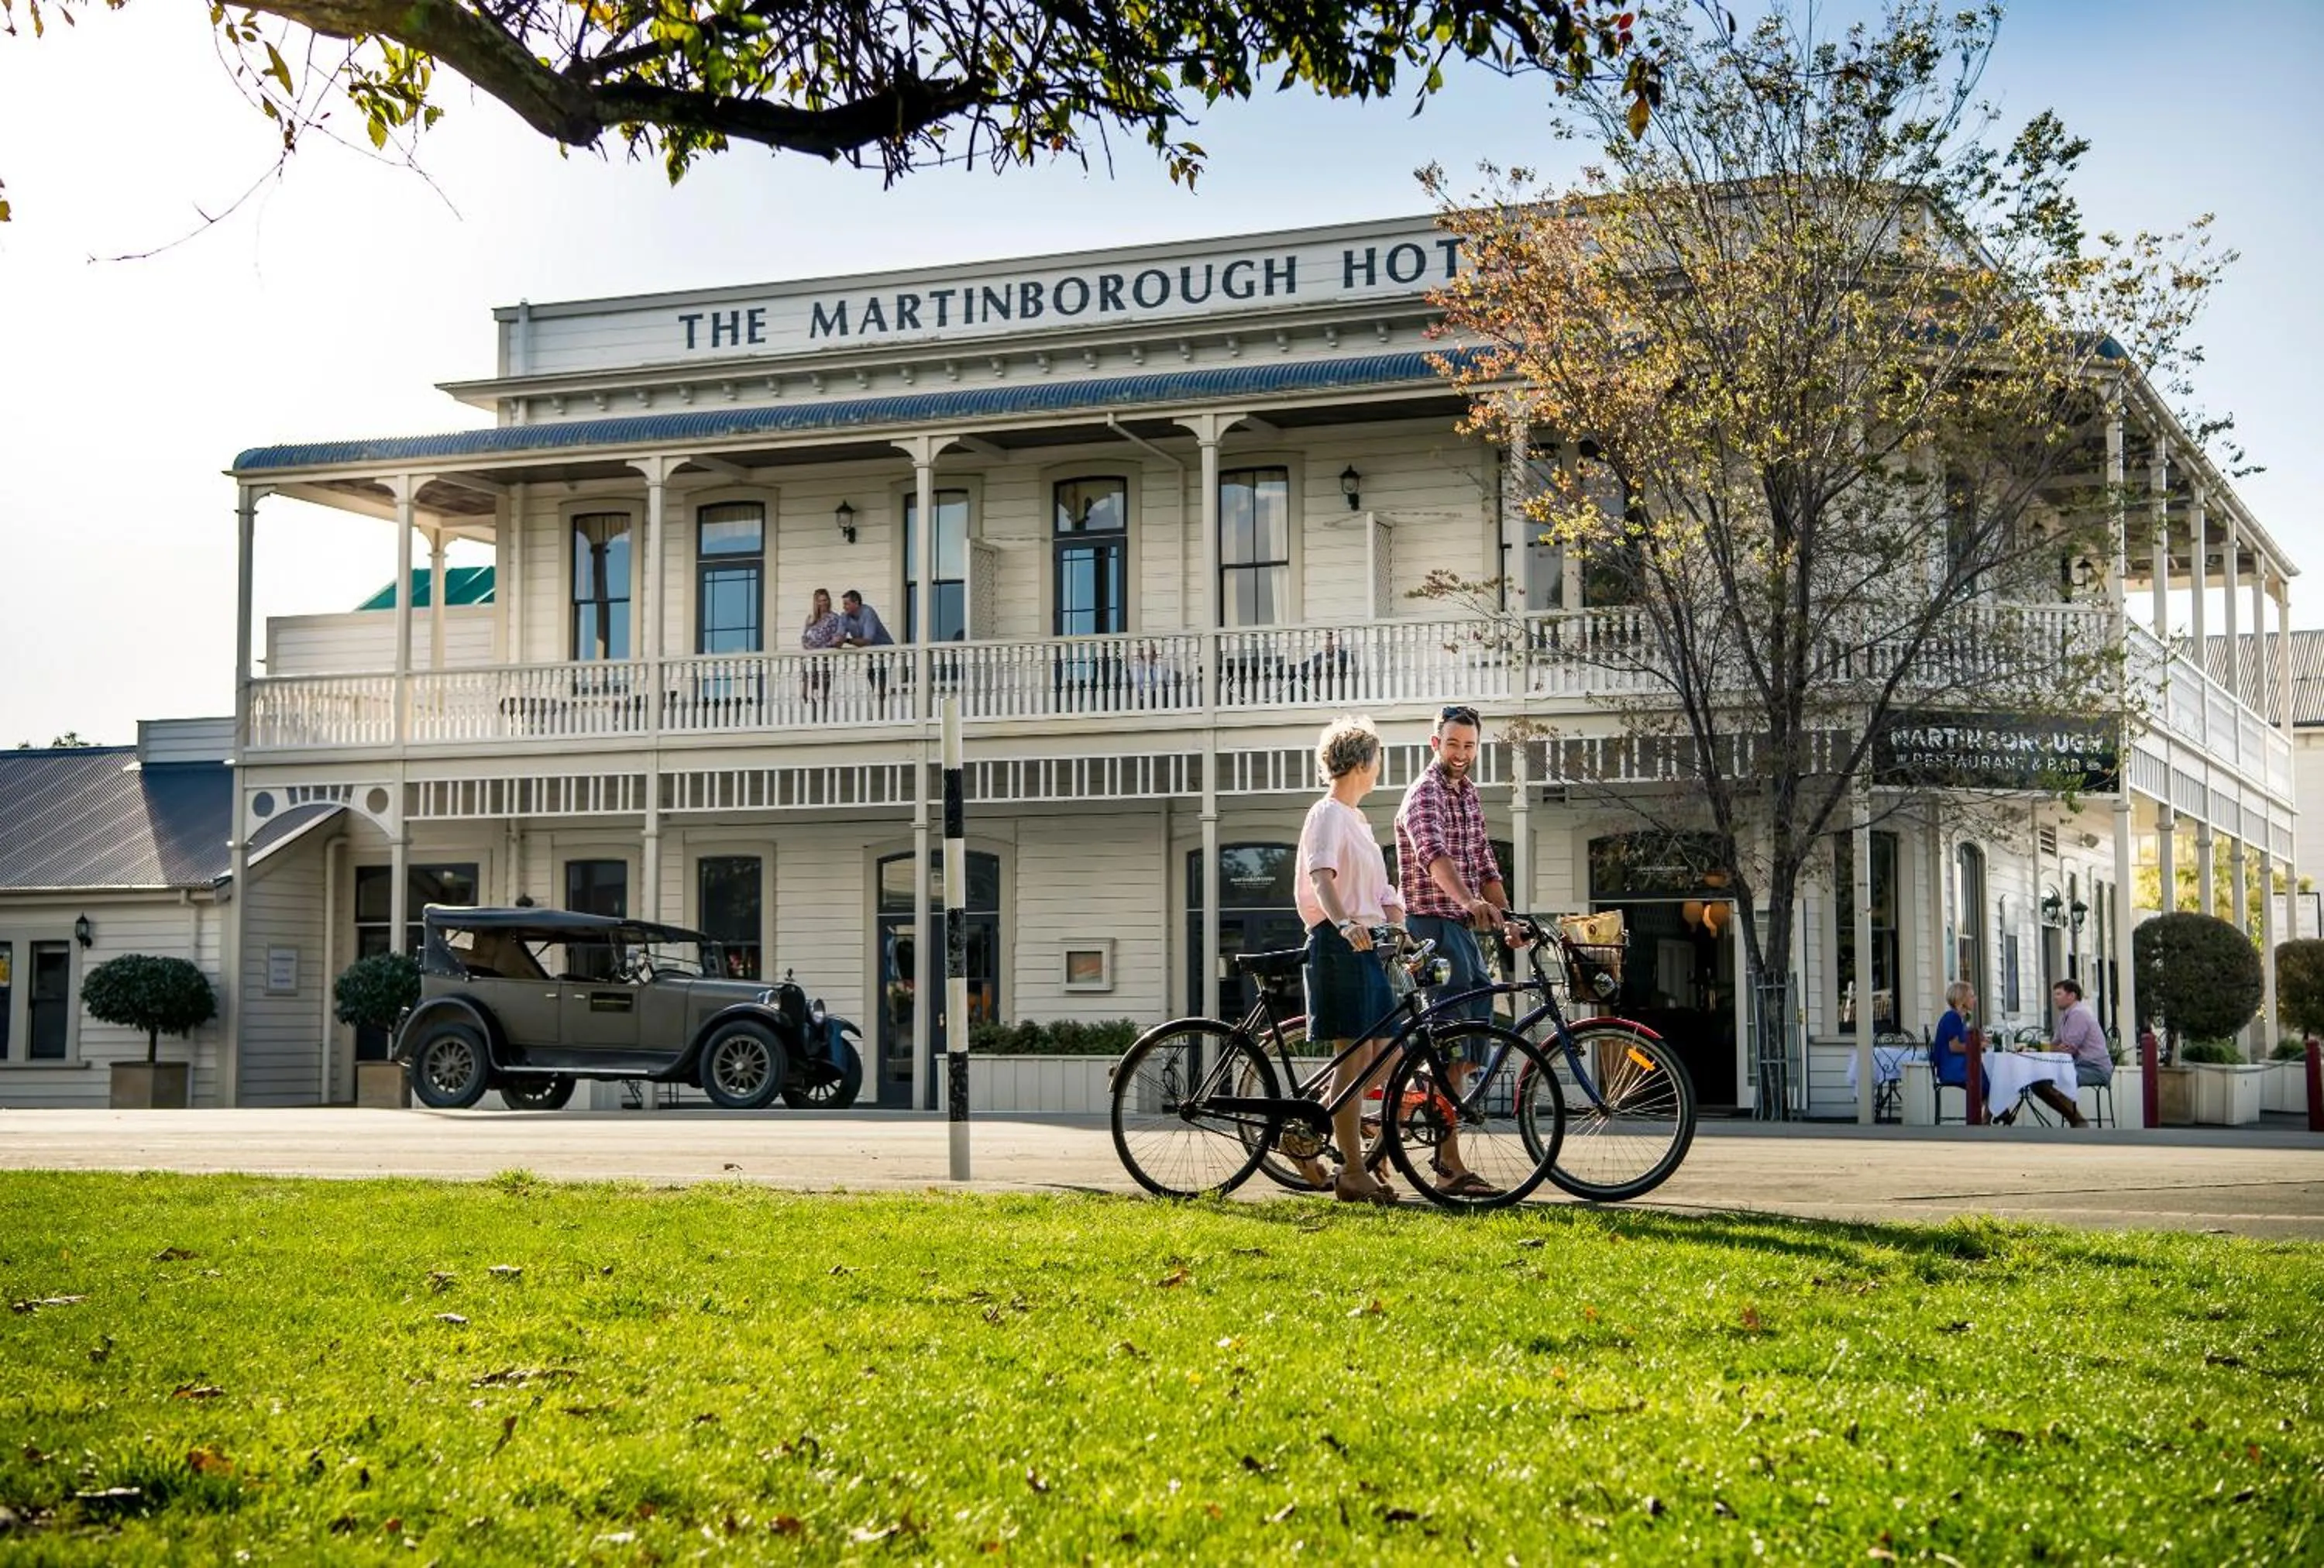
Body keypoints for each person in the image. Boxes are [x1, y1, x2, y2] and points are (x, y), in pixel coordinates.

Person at [1394, 703, 1505, 1197]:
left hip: (1460, 930)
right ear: (1434, 742)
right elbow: (1432, 855)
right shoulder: (1424, 794)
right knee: (1447, 1046)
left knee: (1463, 1046)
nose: (1461, 753)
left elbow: (1485, 861)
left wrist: (1509, 919)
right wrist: (1469, 901)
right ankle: (1448, 1163)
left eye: (1469, 745)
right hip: (1431, 926)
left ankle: (1411, 1135)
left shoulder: (1469, 795)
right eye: (1453, 743)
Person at [1295, 715, 1406, 1205]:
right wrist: (1343, 924)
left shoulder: (1359, 821)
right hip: (1340, 942)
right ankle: (1353, 1172)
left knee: (1389, 1052)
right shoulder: (1328, 814)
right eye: (1376, 758)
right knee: (1355, 1056)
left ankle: (1306, 1134)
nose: (1379, 767)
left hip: (1370, 944)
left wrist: (1398, 919)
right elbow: (1322, 877)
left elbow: (1379, 890)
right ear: (1361, 760)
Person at [2034, 978, 2105, 1128]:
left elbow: (2068, 1048)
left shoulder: (2079, 1013)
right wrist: (2045, 1048)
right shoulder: (2065, 1016)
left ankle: (2078, 1122)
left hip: (2093, 1068)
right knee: (2037, 1082)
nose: (2055, 998)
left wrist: (2044, 1048)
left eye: (2059, 994)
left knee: (2044, 1081)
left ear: (2071, 996)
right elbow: (2055, 1045)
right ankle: (2075, 1119)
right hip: (2074, 1065)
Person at [837, 589, 896, 713]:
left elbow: (867, 641)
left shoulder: (868, 612)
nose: (844, 607)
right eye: (844, 604)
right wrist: (836, 640)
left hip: (884, 650)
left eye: (847, 604)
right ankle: (879, 712)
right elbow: (839, 636)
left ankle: (881, 714)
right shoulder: (844, 617)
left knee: (880, 683)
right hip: (871, 653)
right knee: (874, 682)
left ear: (856, 603)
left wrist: (846, 641)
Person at [1930, 979, 1976, 1097]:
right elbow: (1954, 1047)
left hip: (1955, 1068)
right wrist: (1977, 1046)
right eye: (1971, 996)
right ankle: (1993, 1114)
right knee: (1992, 1081)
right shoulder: (1952, 1017)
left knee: (1992, 1081)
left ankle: (1991, 1114)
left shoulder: (1958, 1018)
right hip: (1953, 1070)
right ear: (1962, 999)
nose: (1975, 999)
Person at [799, 588, 842, 716]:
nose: (824, 603)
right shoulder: (811, 619)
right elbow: (804, 638)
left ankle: (822, 719)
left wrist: (820, 647)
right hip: (810, 660)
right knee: (806, 694)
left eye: (826, 600)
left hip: (825, 661)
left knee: (823, 694)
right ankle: (814, 716)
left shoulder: (834, 618)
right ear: (816, 602)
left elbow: (835, 640)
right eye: (820, 601)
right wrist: (810, 647)